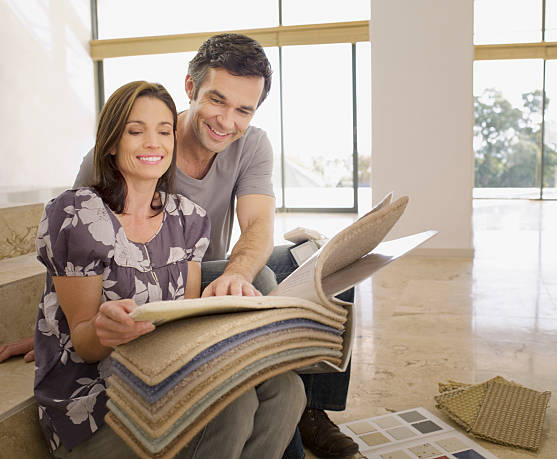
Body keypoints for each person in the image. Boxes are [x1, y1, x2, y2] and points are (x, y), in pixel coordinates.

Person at [0, 33, 357, 458]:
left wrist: (235, 276)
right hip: (122, 305)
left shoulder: (195, 208)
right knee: (254, 311)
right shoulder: (87, 194)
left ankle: (308, 410)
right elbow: (74, 252)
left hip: (199, 271)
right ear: (191, 88)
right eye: (217, 101)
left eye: (243, 109)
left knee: (313, 281)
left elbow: (258, 225)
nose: (227, 120)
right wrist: (62, 322)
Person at [33, 80, 305, 458]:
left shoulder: (188, 218)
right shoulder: (76, 214)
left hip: (163, 371)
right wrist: (105, 328)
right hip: (96, 399)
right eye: (135, 131)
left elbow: (183, 324)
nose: (153, 143)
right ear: (111, 143)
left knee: (287, 389)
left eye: (164, 131)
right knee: (232, 409)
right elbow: (84, 344)